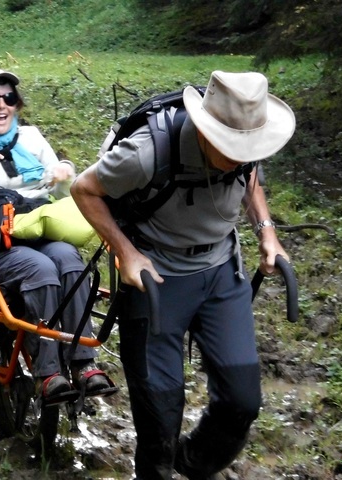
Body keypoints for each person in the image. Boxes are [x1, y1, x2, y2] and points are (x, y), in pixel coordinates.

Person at [71, 71, 296, 479]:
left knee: (241, 402)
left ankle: (190, 466)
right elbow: (83, 190)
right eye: (233, 146)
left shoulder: (246, 147)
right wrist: (127, 253)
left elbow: (249, 177)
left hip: (221, 273)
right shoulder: (147, 151)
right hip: (157, 278)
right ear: (206, 131)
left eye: (250, 147)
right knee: (160, 420)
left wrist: (267, 233)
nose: (244, 155)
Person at [0, 67, 116, 403]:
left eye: (8, 97)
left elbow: (61, 190)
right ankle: (48, 373)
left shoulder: (31, 138)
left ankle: (83, 364)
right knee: (41, 268)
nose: (1, 104)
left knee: (68, 260)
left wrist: (64, 172)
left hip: (36, 231)